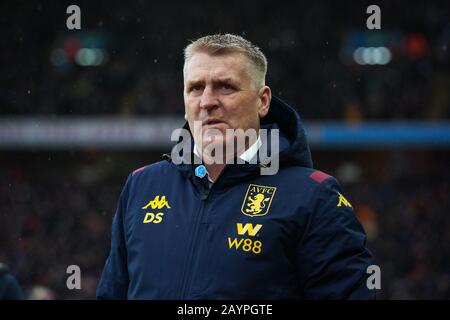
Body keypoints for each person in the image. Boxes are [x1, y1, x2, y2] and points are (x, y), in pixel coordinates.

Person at [97, 34, 375, 299]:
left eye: (225, 86)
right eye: (195, 88)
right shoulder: (141, 186)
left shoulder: (314, 196)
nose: (207, 102)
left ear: (263, 101)